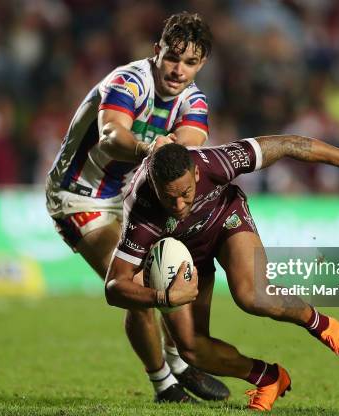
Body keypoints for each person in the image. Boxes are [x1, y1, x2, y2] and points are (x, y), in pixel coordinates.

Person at [105, 135, 339, 410]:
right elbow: (115, 285)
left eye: (185, 194)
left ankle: (324, 327)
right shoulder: (141, 210)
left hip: (225, 221)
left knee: (252, 294)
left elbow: (287, 144)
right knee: (192, 350)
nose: (179, 205)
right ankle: (268, 378)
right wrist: (163, 296)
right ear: (154, 186)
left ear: (195, 174)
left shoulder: (214, 162)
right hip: (184, 257)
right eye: (169, 199)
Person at [45, 12, 229, 402]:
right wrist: (149, 148)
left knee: (171, 271)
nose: (179, 70)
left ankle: (180, 361)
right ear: (156, 51)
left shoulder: (193, 101)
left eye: (190, 62)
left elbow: (187, 146)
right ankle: (165, 383)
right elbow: (112, 135)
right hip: (78, 194)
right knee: (137, 285)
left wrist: (172, 152)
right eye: (173, 58)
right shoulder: (128, 82)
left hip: (129, 196)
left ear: (202, 64)